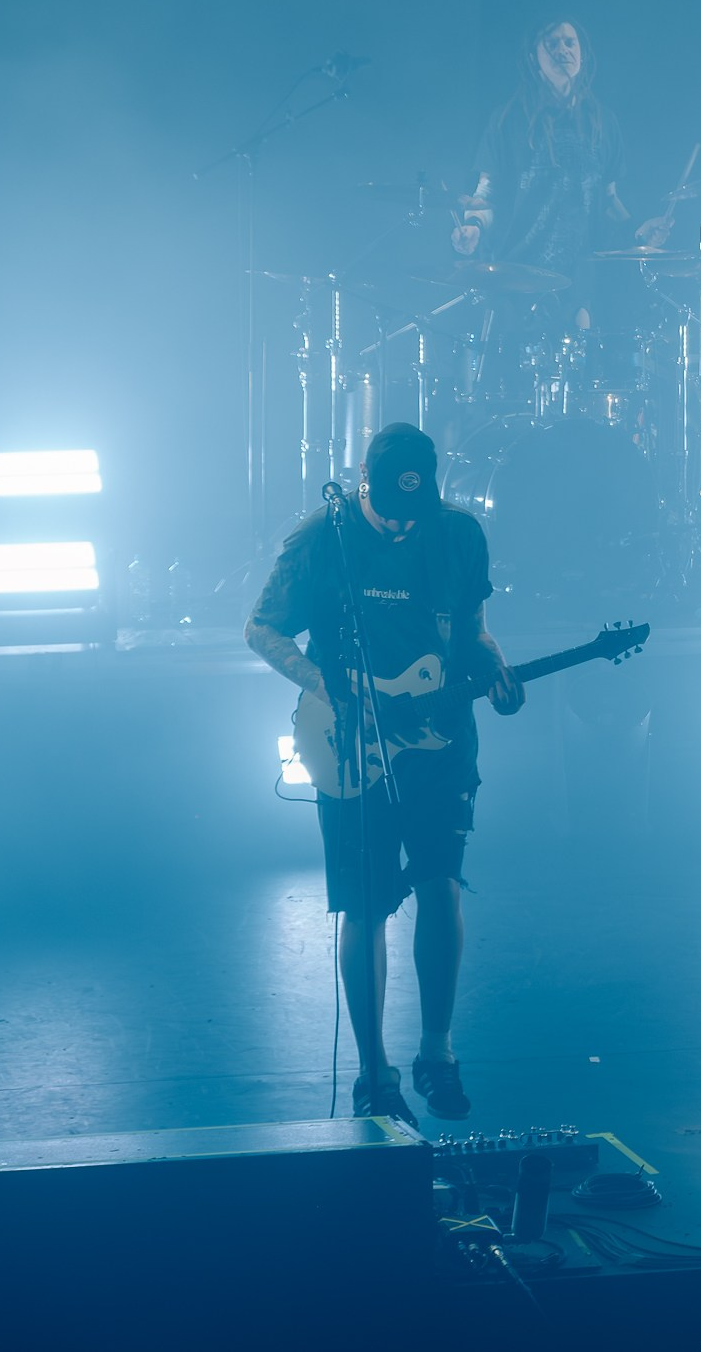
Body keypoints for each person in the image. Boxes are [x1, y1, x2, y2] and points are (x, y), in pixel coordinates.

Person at [245, 422, 523, 1125]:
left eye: (415, 509)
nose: (402, 523)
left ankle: (438, 1052)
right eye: (391, 510)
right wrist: (327, 687)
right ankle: (374, 1072)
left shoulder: (458, 534)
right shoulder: (322, 538)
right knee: (365, 905)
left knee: (442, 886)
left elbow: (472, 629)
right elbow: (261, 627)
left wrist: (493, 666)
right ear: (363, 479)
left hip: (441, 739)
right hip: (353, 742)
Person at [452, 16, 666, 329]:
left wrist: (638, 232)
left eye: (569, 42)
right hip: (515, 274)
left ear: (583, 54)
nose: (563, 50)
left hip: (578, 280)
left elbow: (608, 199)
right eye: (552, 44)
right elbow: (487, 192)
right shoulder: (507, 120)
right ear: (533, 57)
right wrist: (474, 227)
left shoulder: (603, 122)